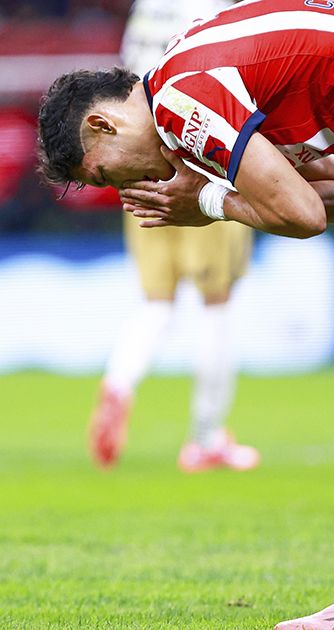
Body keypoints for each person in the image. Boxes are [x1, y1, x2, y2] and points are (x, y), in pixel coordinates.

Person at [35, 0, 334, 627]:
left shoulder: (182, 100)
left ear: (104, 125)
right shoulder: (189, 75)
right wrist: (218, 193)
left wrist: (208, 201)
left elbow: (305, 215)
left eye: (103, 174)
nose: (122, 190)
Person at [89, 0, 258, 473]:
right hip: (197, 159)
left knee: (156, 303)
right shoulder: (211, 7)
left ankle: (119, 384)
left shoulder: (147, 6)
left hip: (138, 165)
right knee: (215, 303)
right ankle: (207, 437)